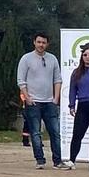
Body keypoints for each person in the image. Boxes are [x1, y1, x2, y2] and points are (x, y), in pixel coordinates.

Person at [16, 32, 63, 169]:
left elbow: (57, 79)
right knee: (35, 133)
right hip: (33, 102)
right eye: (39, 42)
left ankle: (58, 161)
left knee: (55, 132)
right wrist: (27, 98)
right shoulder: (26, 59)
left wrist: (56, 98)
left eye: (44, 42)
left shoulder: (52, 59)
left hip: (50, 102)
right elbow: (21, 80)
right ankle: (40, 160)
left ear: (47, 44)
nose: (41, 45)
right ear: (34, 42)